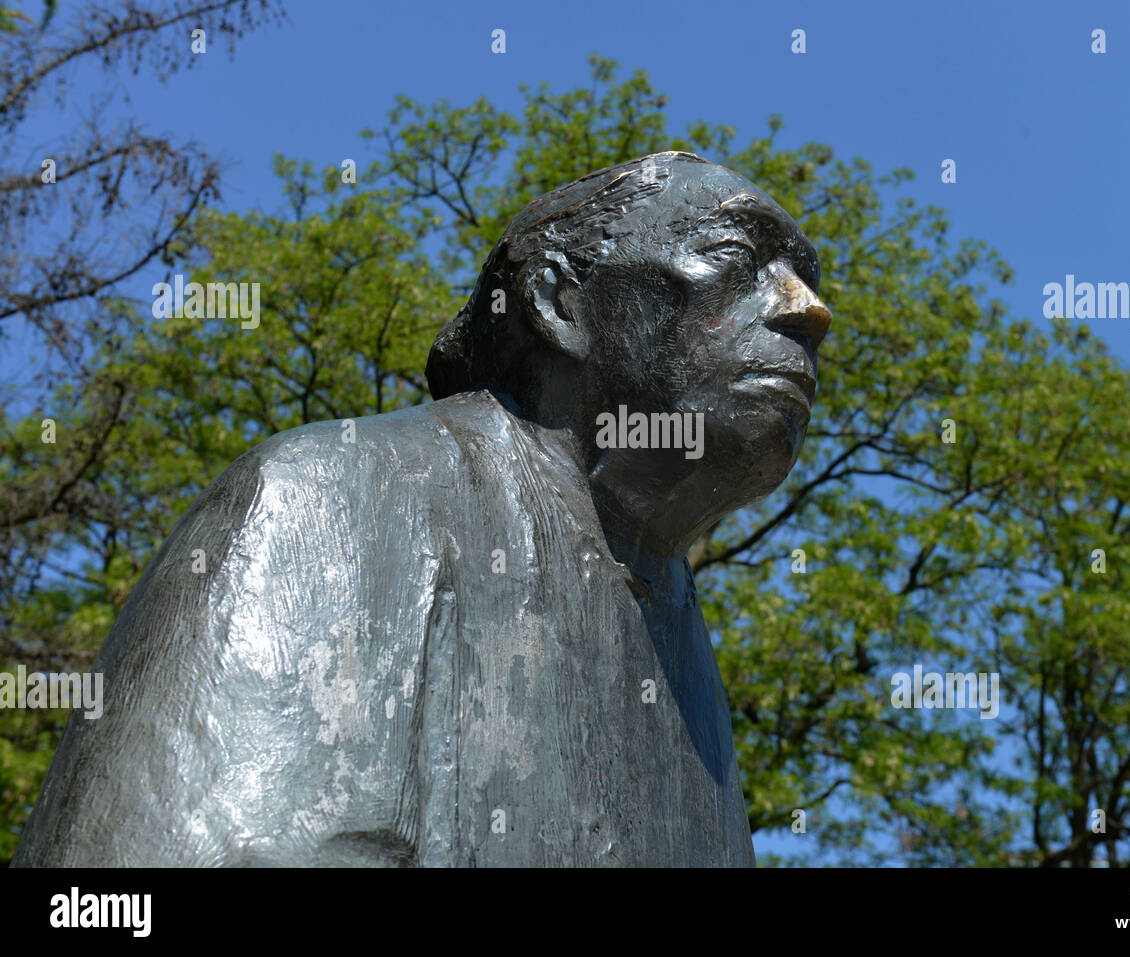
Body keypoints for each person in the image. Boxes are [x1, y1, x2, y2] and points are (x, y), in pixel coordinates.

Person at [14, 151, 831, 867]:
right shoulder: (323, 498)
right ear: (559, 305)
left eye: (807, 278)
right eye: (733, 256)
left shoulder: (685, 654)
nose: (807, 310)